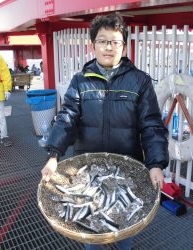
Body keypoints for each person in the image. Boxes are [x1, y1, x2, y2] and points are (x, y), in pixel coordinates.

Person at [41, 13, 169, 250]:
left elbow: (151, 124)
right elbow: (67, 117)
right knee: (90, 229)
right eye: (103, 41)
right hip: (87, 172)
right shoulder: (80, 80)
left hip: (128, 168)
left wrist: (156, 164)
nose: (108, 47)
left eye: (115, 41)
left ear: (124, 45)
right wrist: (53, 155)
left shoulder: (140, 81)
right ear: (93, 45)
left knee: (125, 227)